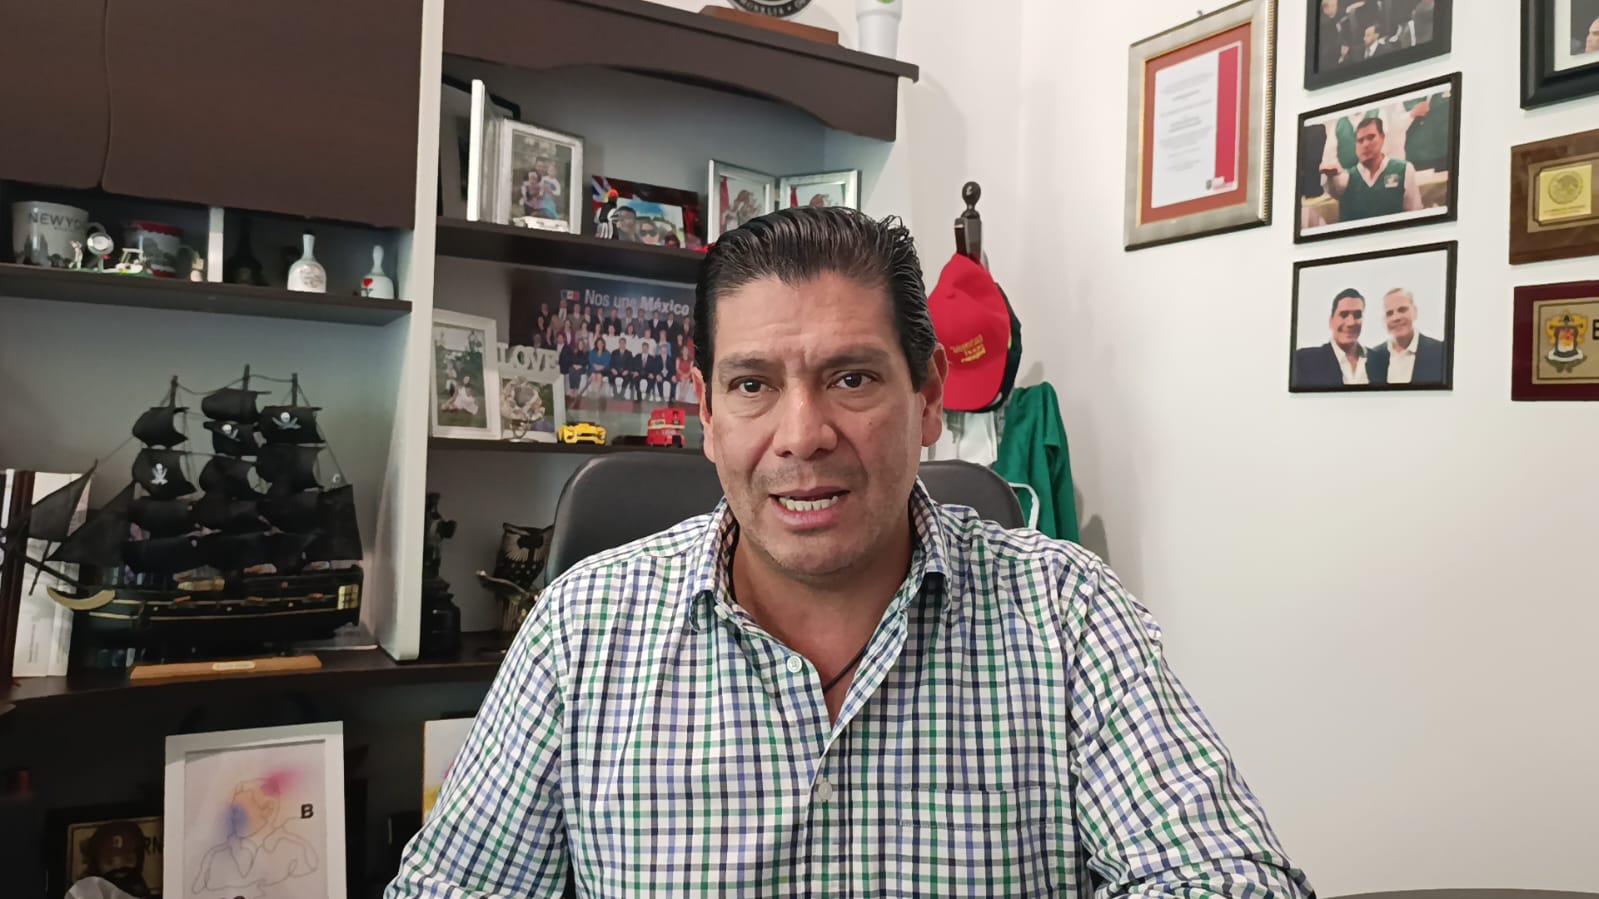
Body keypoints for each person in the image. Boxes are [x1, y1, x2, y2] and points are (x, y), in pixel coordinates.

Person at [387, 207, 1314, 898]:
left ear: (928, 397)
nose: (802, 435)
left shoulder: (1066, 611)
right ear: (706, 410)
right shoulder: (582, 628)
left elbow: (1225, 875)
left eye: (852, 377)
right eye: (753, 384)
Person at [1321, 116, 1422, 221]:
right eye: (1360, 140)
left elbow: (1414, 212)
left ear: (1382, 138)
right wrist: (1330, 176)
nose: (1365, 144)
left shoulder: (1403, 170)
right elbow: (1333, 189)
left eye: (1371, 137)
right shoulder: (1346, 178)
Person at [1367, 288, 1447, 385]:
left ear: (1415, 312)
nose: (1396, 318)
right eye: (1389, 313)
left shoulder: (1441, 351)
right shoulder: (1373, 357)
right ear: (1384, 320)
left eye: (1402, 310)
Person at [1293, 288, 1368, 387]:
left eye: (1357, 315)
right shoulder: (1303, 361)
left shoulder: (1379, 360)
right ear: (1331, 321)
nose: (1351, 323)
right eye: (1344, 314)